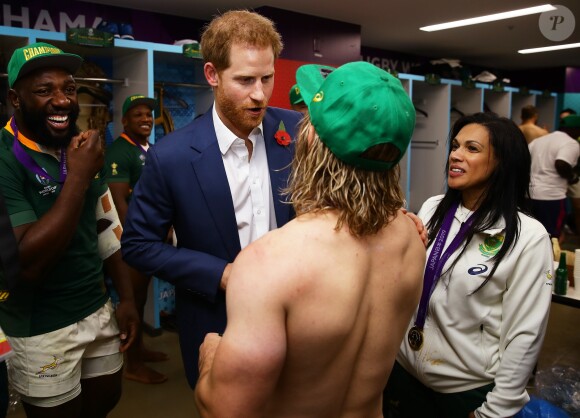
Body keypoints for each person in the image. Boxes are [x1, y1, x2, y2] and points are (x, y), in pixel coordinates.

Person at [195, 60, 425, 417]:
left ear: (312, 137)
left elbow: (227, 410)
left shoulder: (269, 261)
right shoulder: (412, 238)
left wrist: (210, 356)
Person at [120, 10, 303, 388]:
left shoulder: (299, 132)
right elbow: (138, 246)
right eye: (245, 80)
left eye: (267, 78)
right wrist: (222, 275)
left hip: (298, 322)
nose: (259, 94)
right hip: (215, 323)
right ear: (212, 75)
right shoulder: (170, 156)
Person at [383, 112, 554, 418]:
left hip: (465, 394)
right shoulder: (433, 207)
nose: (455, 155)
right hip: (404, 376)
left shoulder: (528, 237)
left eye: (472, 149)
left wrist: (494, 410)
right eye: (456, 145)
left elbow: (524, 335)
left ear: (502, 162)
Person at [0, 42, 138, 417]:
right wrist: (78, 175)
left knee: (106, 399)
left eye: (69, 88)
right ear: (16, 98)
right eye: (45, 90)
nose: (62, 101)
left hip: (95, 308)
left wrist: (125, 298)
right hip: (42, 326)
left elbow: (107, 226)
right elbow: (28, 260)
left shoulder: (76, 146)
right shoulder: (5, 159)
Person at [105, 94, 168, 384]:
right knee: (131, 299)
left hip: (150, 238)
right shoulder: (120, 151)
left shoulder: (147, 148)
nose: (145, 119)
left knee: (140, 298)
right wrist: (138, 241)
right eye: (138, 115)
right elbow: (118, 201)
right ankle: (131, 364)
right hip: (134, 241)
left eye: (147, 115)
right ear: (125, 120)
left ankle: (139, 350)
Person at [528, 123, 580, 241]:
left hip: (529, 195)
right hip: (551, 197)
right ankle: (548, 259)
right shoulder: (570, 143)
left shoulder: (538, 141)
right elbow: (561, 164)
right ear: (575, 129)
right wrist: (572, 177)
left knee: (529, 236)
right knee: (552, 238)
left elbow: (523, 161)